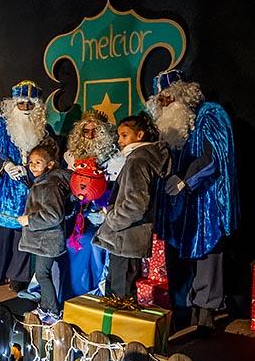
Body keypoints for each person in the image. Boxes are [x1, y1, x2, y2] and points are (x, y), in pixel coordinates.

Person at [147, 69, 239, 329]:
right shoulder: (167, 126)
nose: (165, 103)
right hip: (176, 204)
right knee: (178, 256)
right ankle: (183, 309)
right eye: (160, 100)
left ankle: (206, 310)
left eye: (168, 97)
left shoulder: (209, 114)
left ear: (182, 94)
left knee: (207, 252)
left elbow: (214, 157)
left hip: (204, 200)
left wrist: (185, 180)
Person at [0, 80, 50, 291]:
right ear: (14, 105)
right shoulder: (0, 127)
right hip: (3, 191)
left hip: (30, 189)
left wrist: (31, 170)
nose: (26, 108)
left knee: (22, 234)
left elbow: (50, 157)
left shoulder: (44, 130)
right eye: (21, 103)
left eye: (30, 104)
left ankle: (19, 276)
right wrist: (5, 165)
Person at [93, 113, 171, 298]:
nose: (120, 141)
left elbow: (136, 203)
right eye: (119, 136)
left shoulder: (138, 160)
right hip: (127, 238)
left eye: (124, 135)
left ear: (140, 135)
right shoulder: (140, 158)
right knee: (117, 289)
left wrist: (112, 219)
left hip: (126, 237)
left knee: (121, 292)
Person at [62, 111, 119, 298]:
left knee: (91, 243)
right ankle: (68, 293)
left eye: (95, 131)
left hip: (102, 216)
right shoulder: (71, 156)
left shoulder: (114, 158)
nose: (90, 135)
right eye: (86, 131)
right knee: (69, 242)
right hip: (76, 213)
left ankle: (91, 292)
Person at [17, 138, 71, 324]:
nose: (32, 166)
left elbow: (54, 216)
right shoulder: (43, 181)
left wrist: (29, 220)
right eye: (31, 162)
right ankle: (46, 306)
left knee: (42, 275)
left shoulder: (49, 185)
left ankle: (53, 311)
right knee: (42, 274)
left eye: (38, 162)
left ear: (50, 164)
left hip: (47, 240)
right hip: (42, 239)